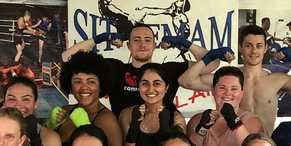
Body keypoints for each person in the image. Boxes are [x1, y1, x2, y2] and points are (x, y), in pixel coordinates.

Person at [180, 25, 291, 132]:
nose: (254, 51)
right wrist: (210, 56)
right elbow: (186, 81)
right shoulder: (228, 81)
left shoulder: (278, 81)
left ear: (266, 48)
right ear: (240, 48)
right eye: (248, 45)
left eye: (259, 46)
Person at [62, 22, 213, 115]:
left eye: (148, 40)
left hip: (160, 140)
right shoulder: (115, 68)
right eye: (136, 40)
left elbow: (212, 64)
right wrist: (100, 38)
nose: (142, 44)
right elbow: (68, 58)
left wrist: (185, 43)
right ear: (128, 45)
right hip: (123, 137)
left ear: (154, 46)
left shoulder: (168, 70)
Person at [186, 66, 265, 146]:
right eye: (222, 88)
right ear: (213, 90)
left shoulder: (252, 122)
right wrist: (202, 129)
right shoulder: (198, 120)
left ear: (242, 92)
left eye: (234, 89)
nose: (228, 93)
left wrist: (235, 122)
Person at [48, 51, 123, 146]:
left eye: (91, 81)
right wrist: (49, 128)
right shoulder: (65, 111)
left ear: (100, 85)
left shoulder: (105, 119)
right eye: (78, 81)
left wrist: (88, 128)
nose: (84, 87)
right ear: (70, 85)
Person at [119, 63, 187, 146]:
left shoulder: (176, 118)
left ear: (166, 88)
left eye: (157, 84)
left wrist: (165, 127)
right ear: (138, 86)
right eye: (145, 83)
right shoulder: (128, 115)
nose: (151, 89)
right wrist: (134, 126)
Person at [0, 76, 61, 146]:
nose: (18, 105)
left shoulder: (50, 138)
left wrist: (36, 142)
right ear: (4, 102)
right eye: (12, 99)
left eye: (26, 99)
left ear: (36, 103)